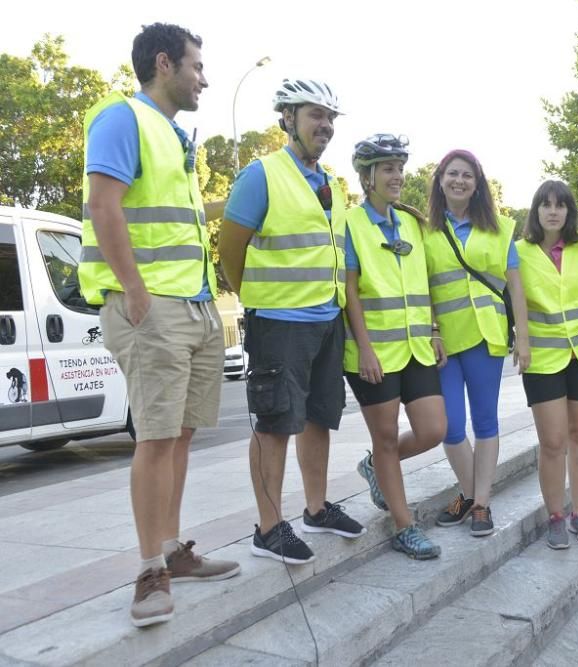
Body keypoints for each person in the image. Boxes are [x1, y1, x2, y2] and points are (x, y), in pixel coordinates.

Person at [80, 23, 240, 628]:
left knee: (179, 436)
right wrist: (138, 293)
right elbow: (103, 205)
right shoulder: (124, 118)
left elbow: (172, 218)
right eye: (198, 66)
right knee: (154, 438)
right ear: (166, 63)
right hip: (153, 307)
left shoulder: (174, 137)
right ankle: (150, 571)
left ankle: (173, 550)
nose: (205, 78)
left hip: (194, 304)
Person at [219, 77, 364, 567]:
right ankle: (267, 527)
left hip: (326, 317)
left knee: (320, 418)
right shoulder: (262, 175)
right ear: (288, 119)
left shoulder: (331, 184)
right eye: (314, 115)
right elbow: (230, 250)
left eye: (330, 117)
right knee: (276, 423)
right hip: (279, 321)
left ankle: (317, 508)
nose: (324, 124)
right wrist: (254, 296)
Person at [344, 134, 447, 559]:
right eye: (388, 169)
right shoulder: (350, 224)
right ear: (368, 177)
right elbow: (349, 291)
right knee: (385, 437)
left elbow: (427, 283)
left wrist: (436, 330)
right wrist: (364, 348)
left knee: (433, 430)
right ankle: (405, 527)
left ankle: (373, 469)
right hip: (373, 354)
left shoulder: (412, 223)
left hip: (417, 347)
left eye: (400, 169)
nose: (398, 177)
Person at [423, 149, 530, 537]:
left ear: (478, 184)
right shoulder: (425, 231)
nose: (459, 181)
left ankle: (479, 504)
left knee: (485, 421)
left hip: (487, 337)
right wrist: (432, 331)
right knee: (450, 426)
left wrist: (524, 337)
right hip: (446, 343)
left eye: (467, 175)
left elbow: (515, 288)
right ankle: (470, 494)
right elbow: (424, 289)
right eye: (452, 174)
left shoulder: (500, 228)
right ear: (440, 180)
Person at [515, 181, 578, 550]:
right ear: (535, 210)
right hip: (542, 359)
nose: (553, 211)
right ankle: (555, 515)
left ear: (570, 211)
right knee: (552, 442)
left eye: (561, 205)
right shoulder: (518, 251)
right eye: (546, 205)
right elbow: (512, 299)